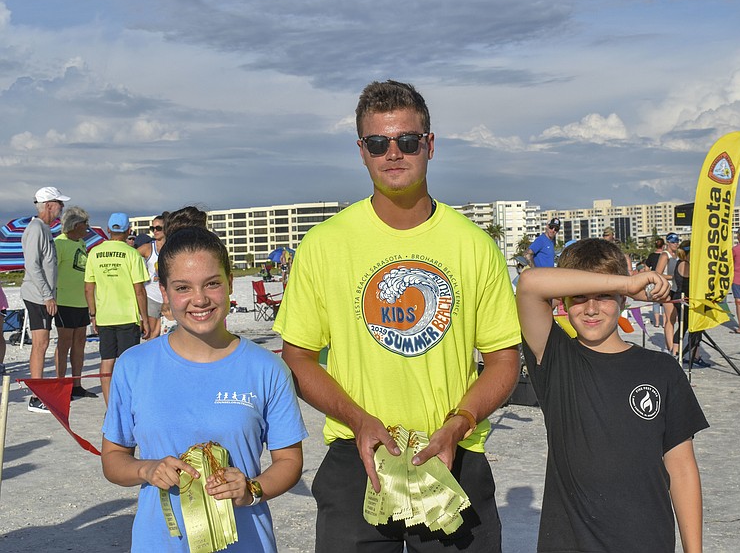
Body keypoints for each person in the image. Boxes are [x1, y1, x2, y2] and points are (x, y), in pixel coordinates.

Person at [275, 80, 521, 552]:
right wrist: (359, 419)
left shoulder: (475, 246)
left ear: (429, 145)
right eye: (378, 142)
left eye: (407, 140)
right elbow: (299, 356)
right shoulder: (325, 245)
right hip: (356, 457)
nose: (394, 153)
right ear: (361, 151)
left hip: (454, 454)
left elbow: (503, 362)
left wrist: (459, 422)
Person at [101, 226, 307, 552]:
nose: (199, 299)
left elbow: (289, 461)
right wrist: (147, 468)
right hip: (160, 543)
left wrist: (252, 488)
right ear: (164, 292)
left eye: (212, 283)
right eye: (183, 287)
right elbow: (113, 459)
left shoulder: (266, 368)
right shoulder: (133, 365)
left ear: (229, 282)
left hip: (246, 542)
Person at [516, 238, 708, 553]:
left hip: (647, 541)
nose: (591, 309)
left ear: (624, 301)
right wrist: (625, 283)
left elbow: (681, 465)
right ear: (563, 302)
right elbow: (529, 283)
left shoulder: (661, 369)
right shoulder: (554, 357)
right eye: (579, 298)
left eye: (604, 297)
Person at [84, 213, 150, 404]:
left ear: (108, 231)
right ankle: (127, 404)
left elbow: (89, 288)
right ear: (128, 231)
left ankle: (109, 406)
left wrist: (93, 315)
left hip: (104, 315)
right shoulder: (132, 254)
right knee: (128, 363)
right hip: (127, 316)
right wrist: (144, 317)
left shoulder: (94, 253)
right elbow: (139, 291)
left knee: (107, 360)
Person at [21, 186, 70, 413]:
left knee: (43, 343)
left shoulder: (43, 229)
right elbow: (32, 266)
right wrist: (47, 295)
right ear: (49, 205)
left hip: (41, 295)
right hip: (37, 296)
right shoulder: (36, 229)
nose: (62, 208)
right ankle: (36, 396)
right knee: (40, 344)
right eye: (60, 204)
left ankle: (37, 394)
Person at [54, 206, 97, 399]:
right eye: (85, 224)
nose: (87, 228)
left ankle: (76, 384)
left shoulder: (81, 243)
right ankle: (60, 383)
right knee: (64, 344)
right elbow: (52, 273)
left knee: (80, 343)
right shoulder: (58, 243)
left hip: (81, 302)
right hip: (63, 302)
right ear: (75, 224)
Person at [136, 213, 168, 339]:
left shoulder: (173, 246)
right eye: (152, 228)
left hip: (170, 296)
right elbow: (130, 257)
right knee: (151, 335)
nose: (155, 231)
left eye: (158, 228)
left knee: (169, 334)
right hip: (151, 296)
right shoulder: (148, 248)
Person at [654, 232, 680, 352]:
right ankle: (670, 347)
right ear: (668, 243)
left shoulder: (677, 255)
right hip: (667, 288)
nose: (676, 244)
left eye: (677, 241)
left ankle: (674, 345)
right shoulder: (665, 255)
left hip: (677, 288)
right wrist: (673, 276)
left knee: (675, 318)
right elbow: (658, 273)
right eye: (673, 242)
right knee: (670, 319)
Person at [645, 238, 666, 328]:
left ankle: (657, 322)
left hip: (654, 280)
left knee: (655, 301)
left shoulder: (651, 256)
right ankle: (665, 322)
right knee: (666, 301)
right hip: (665, 279)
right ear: (664, 245)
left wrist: (650, 275)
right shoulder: (666, 256)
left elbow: (646, 268)